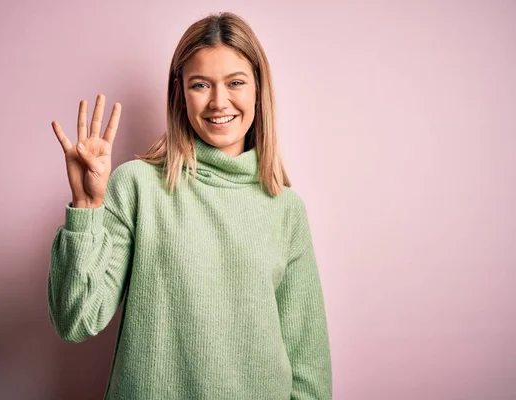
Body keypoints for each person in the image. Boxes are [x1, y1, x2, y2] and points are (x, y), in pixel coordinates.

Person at [48, 11, 332, 400]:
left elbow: (308, 365)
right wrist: (86, 206)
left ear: (257, 90)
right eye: (201, 84)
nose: (219, 102)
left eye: (235, 82)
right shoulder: (137, 186)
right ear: (180, 93)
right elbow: (76, 319)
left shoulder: (286, 210)